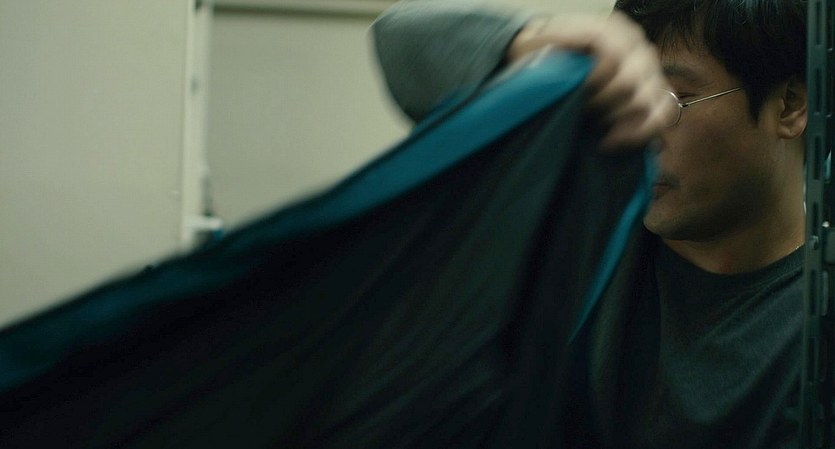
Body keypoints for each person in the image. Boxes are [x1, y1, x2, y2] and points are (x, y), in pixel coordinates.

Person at [371, 1, 808, 448]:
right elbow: (399, 42)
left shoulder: (811, 319)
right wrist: (531, 48)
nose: (642, 130)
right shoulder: (595, 228)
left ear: (790, 106)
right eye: (634, 96)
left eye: (671, 99)